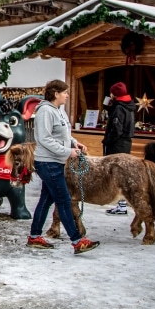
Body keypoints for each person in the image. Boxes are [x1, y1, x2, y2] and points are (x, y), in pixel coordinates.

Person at [25, 79, 100, 254]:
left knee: (46, 199)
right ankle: (77, 240)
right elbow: (44, 139)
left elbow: (64, 134)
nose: (67, 95)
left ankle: (34, 236)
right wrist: (67, 151)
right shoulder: (45, 111)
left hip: (55, 161)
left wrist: (75, 143)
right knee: (64, 200)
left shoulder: (59, 111)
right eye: (65, 92)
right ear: (56, 93)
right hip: (48, 162)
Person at [102, 81, 136, 216]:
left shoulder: (119, 109)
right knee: (122, 174)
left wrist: (107, 141)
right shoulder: (127, 106)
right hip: (126, 143)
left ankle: (121, 205)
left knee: (117, 175)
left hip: (117, 145)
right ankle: (122, 204)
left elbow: (116, 128)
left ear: (114, 94)